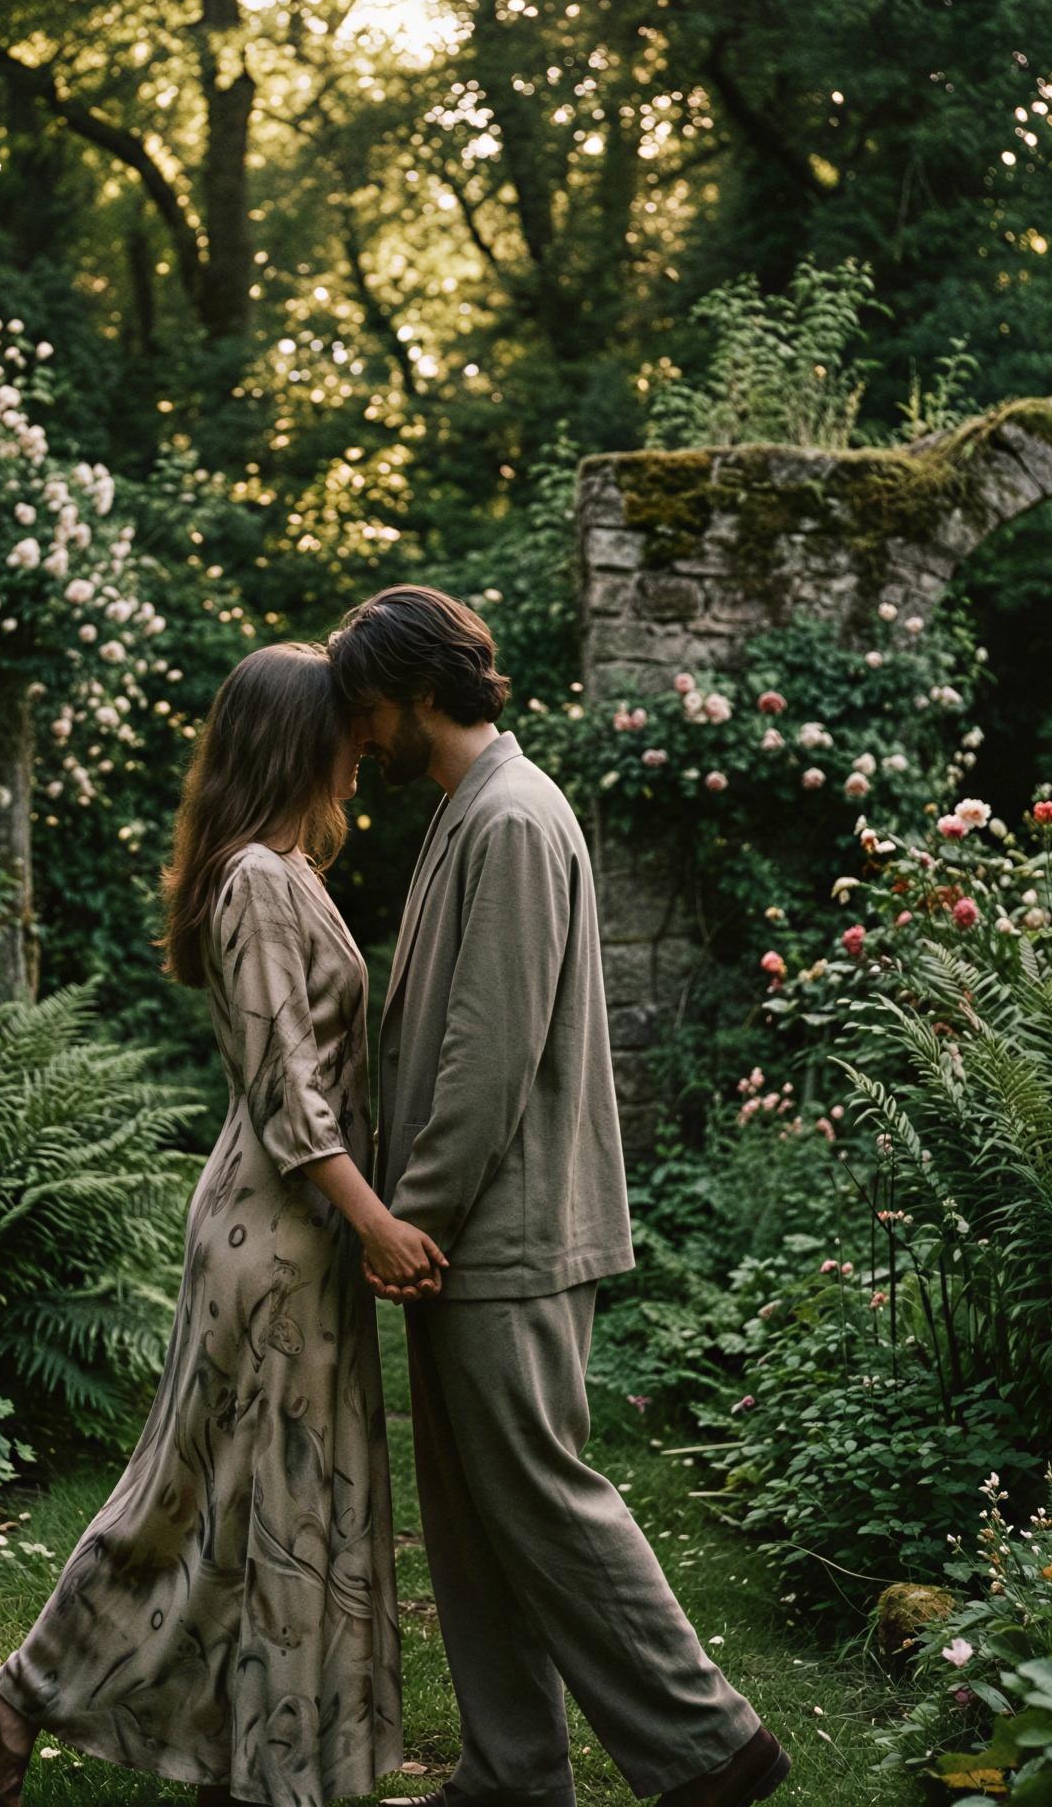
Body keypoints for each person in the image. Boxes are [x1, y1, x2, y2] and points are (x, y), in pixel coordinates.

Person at [0, 641, 442, 1807]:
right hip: (279, 1231)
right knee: (209, 1496)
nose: (367, 740)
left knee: (241, 1499)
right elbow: (285, 1090)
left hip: (288, 1229)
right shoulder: (260, 883)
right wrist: (375, 1220)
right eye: (348, 725)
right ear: (297, 738)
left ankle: (238, 1755)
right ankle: (16, 1696)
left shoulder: (276, 867)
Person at [327, 585, 791, 1807]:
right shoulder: (467, 809)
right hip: (475, 1226)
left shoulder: (513, 819)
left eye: (369, 706)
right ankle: (512, 1774)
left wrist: (411, 1215)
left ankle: (708, 1746)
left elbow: (488, 1049)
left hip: (502, 1226)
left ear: (422, 690)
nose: (359, 733)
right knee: (478, 1522)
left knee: (540, 1491)